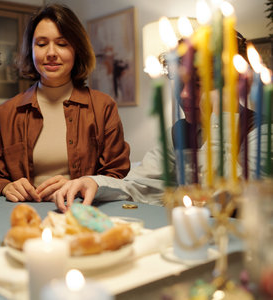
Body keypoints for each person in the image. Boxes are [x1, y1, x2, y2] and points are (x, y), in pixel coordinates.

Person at [54, 32, 270, 212]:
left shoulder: (261, 132)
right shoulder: (178, 133)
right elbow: (140, 185)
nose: (184, 95)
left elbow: (221, 206)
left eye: (197, 83)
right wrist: (93, 182)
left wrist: (220, 117)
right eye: (179, 82)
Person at [0, 3, 130, 203]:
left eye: (62, 43)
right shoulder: (6, 112)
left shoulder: (103, 107)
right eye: (41, 44)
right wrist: (6, 187)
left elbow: (118, 176)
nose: (51, 53)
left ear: (76, 49)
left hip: (80, 214)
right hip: (24, 216)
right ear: (30, 49)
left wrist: (81, 184)